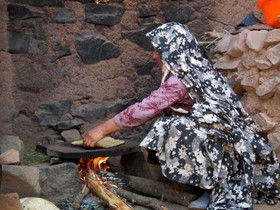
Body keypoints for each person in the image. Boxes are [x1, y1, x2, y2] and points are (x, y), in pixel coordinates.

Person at [84, 22, 280, 209]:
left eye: (158, 51)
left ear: (172, 50)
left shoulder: (183, 78)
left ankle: (212, 188)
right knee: (171, 122)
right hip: (227, 140)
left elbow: (146, 108)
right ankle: (197, 184)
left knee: (174, 127)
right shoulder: (197, 68)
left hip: (229, 145)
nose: (154, 56)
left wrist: (101, 130)